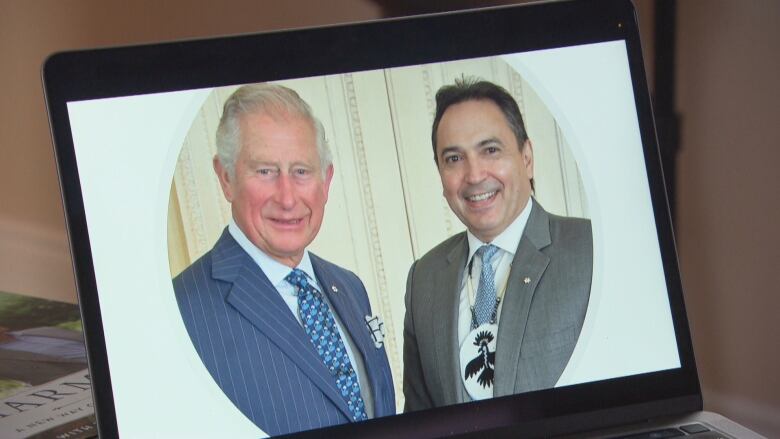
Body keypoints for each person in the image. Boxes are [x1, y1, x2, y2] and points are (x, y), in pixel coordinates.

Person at [173, 84, 395, 436]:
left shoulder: (349, 286)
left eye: (302, 172)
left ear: (326, 181)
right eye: (265, 171)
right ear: (226, 177)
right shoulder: (180, 311)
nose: (288, 197)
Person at [403, 78, 592, 411]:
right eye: (453, 159)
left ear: (527, 157)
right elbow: (420, 418)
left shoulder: (590, 250)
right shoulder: (424, 279)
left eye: (490, 150)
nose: (474, 175)